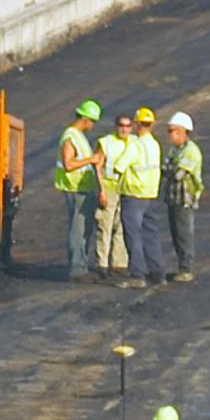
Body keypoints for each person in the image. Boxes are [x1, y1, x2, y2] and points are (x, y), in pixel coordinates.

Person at [111, 106, 166, 284]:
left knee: (133, 236)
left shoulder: (136, 145)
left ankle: (137, 275)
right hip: (150, 195)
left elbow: (119, 166)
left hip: (133, 195)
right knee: (150, 234)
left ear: (136, 124)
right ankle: (157, 273)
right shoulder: (154, 144)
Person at [56, 101, 104, 281]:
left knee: (84, 229)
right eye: (92, 121)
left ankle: (81, 266)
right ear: (85, 119)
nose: (93, 126)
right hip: (76, 189)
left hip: (83, 189)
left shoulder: (78, 136)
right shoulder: (70, 137)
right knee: (78, 229)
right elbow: (69, 164)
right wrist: (91, 160)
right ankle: (77, 269)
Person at [160, 111, 204, 284]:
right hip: (173, 197)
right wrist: (170, 169)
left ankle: (186, 269)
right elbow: (165, 169)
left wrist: (170, 168)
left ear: (182, 131)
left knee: (184, 234)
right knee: (176, 233)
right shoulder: (175, 150)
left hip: (184, 198)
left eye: (172, 131)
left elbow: (178, 174)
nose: (169, 135)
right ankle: (181, 267)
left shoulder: (191, 151)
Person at [94, 111, 136, 277]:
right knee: (105, 226)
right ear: (115, 126)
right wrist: (101, 191)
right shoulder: (106, 142)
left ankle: (119, 264)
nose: (124, 129)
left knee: (121, 227)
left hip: (126, 190)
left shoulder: (135, 142)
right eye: (121, 126)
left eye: (127, 126)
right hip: (109, 188)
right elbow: (97, 165)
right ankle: (102, 264)